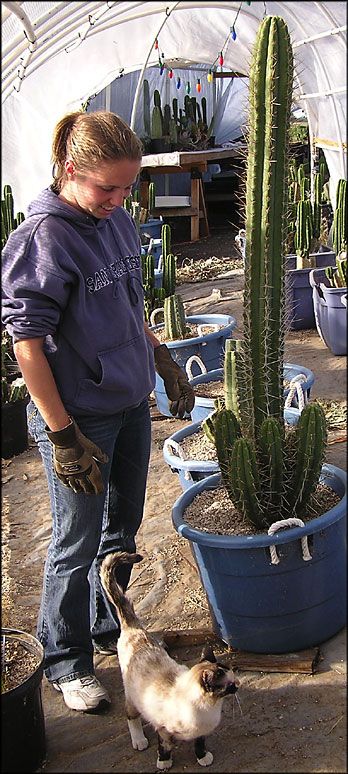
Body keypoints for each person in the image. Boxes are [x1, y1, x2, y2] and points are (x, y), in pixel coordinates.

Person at [1, 110, 194, 713]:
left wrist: (158, 356)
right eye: (106, 187)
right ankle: (65, 660)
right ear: (68, 171)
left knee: (121, 529)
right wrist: (62, 434)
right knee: (75, 541)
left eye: (127, 187)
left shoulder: (113, 220)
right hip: (81, 417)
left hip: (130, 401)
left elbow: (127, 300)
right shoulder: (43, 238)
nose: (117, 199)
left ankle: (107, 626)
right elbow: (27, 344)